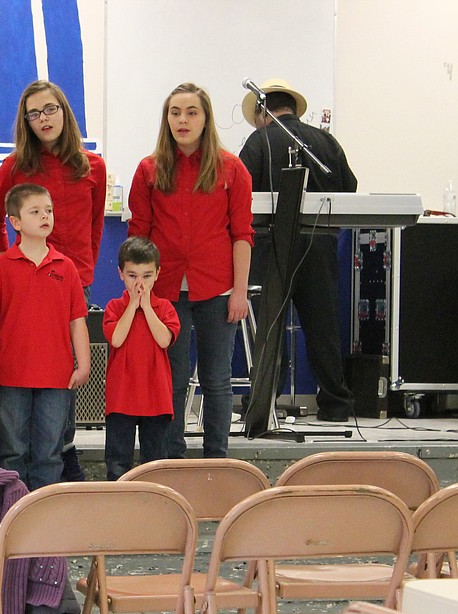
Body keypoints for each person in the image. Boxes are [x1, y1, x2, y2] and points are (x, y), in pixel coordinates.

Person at [0, 80, 106, 482]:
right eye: (34, 114)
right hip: (24, 279)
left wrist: (83, 269)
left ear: (64, 112)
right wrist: (9, 263)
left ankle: (59, 469)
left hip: (71, 279)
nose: (43, 119)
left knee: (59, 386)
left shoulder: (92, 166)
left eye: (50, 109)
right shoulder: (16, 165)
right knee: (18, 410)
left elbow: (94, 225)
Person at [127, 82, 253, 459]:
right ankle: (173, 459)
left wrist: (240, 292)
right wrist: (139, 292)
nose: (183, 120)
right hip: (164, 293)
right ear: (166, 120)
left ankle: (217, 459)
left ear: (205, 118)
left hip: (217, 289)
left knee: (217, 380)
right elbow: (139, 234)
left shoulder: (232, 168)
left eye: (191, 112)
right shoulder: (149, 169)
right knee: (174, 379)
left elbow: (242, 235)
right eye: (175, 113)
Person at [239, 78, 357, 422]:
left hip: (271, 243)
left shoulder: (260, 140)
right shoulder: (326, 141)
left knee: (269, 326)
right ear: (290, 108)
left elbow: (241, 190)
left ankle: (264, 403)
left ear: (263, 111)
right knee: (323, 326)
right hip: (319, 243)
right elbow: (349, 188)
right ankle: (336, 403)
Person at [0, 183, 89, 491]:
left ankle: (43, 512)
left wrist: (84, 364)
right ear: (15, 222)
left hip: (56, 377)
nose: (45, 216)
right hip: (10, 374)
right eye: (35, 211)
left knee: (50, 453)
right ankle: (11, 511)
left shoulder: (66, 267)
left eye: (49, 211)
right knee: (12, 451)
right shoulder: (1, 267)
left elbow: (77, 320)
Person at [103, 237, 180, 480]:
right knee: (117, 464)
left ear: (158, 274)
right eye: (132, 275)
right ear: (120, 274)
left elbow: (164, 339)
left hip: (156, 398)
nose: (140, 283)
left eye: (146, 276)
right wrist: (132, 306)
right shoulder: (114, 307)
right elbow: (116, 339)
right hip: (121, 397)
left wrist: (146, 307)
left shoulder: (165, 307)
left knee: (155, 465)